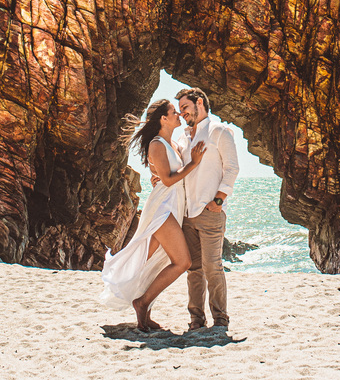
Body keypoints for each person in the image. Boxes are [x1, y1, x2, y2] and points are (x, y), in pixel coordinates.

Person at [100, 99, 206, 330]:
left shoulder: (173, 145)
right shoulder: (157, 144)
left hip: (173, 204)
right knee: (183, 261)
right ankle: (142, 302)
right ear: (163, 119)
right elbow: (168, 179)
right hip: (163, 207)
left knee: (155, 261)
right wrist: (194, 164)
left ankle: (145, 310)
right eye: (173, 112)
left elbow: (167, 174)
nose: (178, 114)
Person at [176, 87, 239, 330]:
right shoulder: (183, 138)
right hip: (186, 214)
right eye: (180, 110)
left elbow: (232, 168)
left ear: (199, 102)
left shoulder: (219, 131)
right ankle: (196, 320)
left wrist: (219, 201)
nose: (182, 113)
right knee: (194, 270)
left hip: (210, 212)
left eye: (185, 107)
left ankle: (220, 319)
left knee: (213, 267)